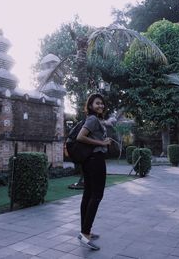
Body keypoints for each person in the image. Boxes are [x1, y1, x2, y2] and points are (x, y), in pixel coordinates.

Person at [76, 93, 111, 250]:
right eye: (97, 103)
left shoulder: (94, 119)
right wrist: (102, 143)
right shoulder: (92, 119)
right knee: (96, 196)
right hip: (95, 160)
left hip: (89, 161)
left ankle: (84, 231)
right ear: (90, 105)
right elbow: (80, 137)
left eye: (102, 103)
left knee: (88, 195)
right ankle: (85, 233)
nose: (101, 106)